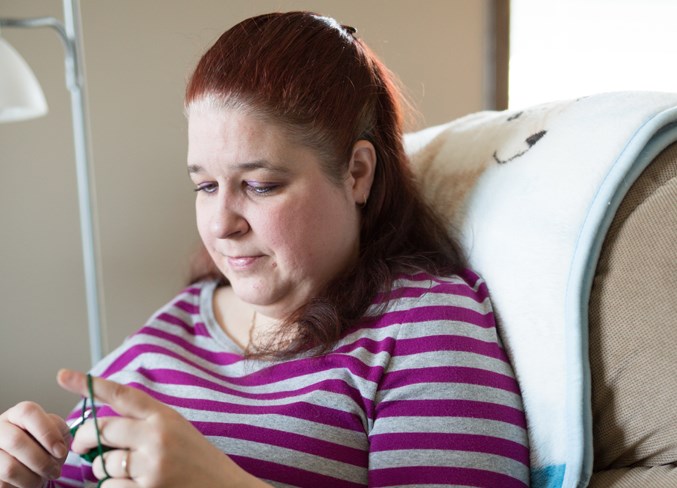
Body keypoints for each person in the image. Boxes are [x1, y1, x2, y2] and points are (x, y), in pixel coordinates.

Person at [0, 11, 529, 488]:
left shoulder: (424, 326)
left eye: (260, 185)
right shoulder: (181, 319)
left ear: (357, 173)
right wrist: (24, 466)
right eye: (204, 186)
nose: (221, 225)